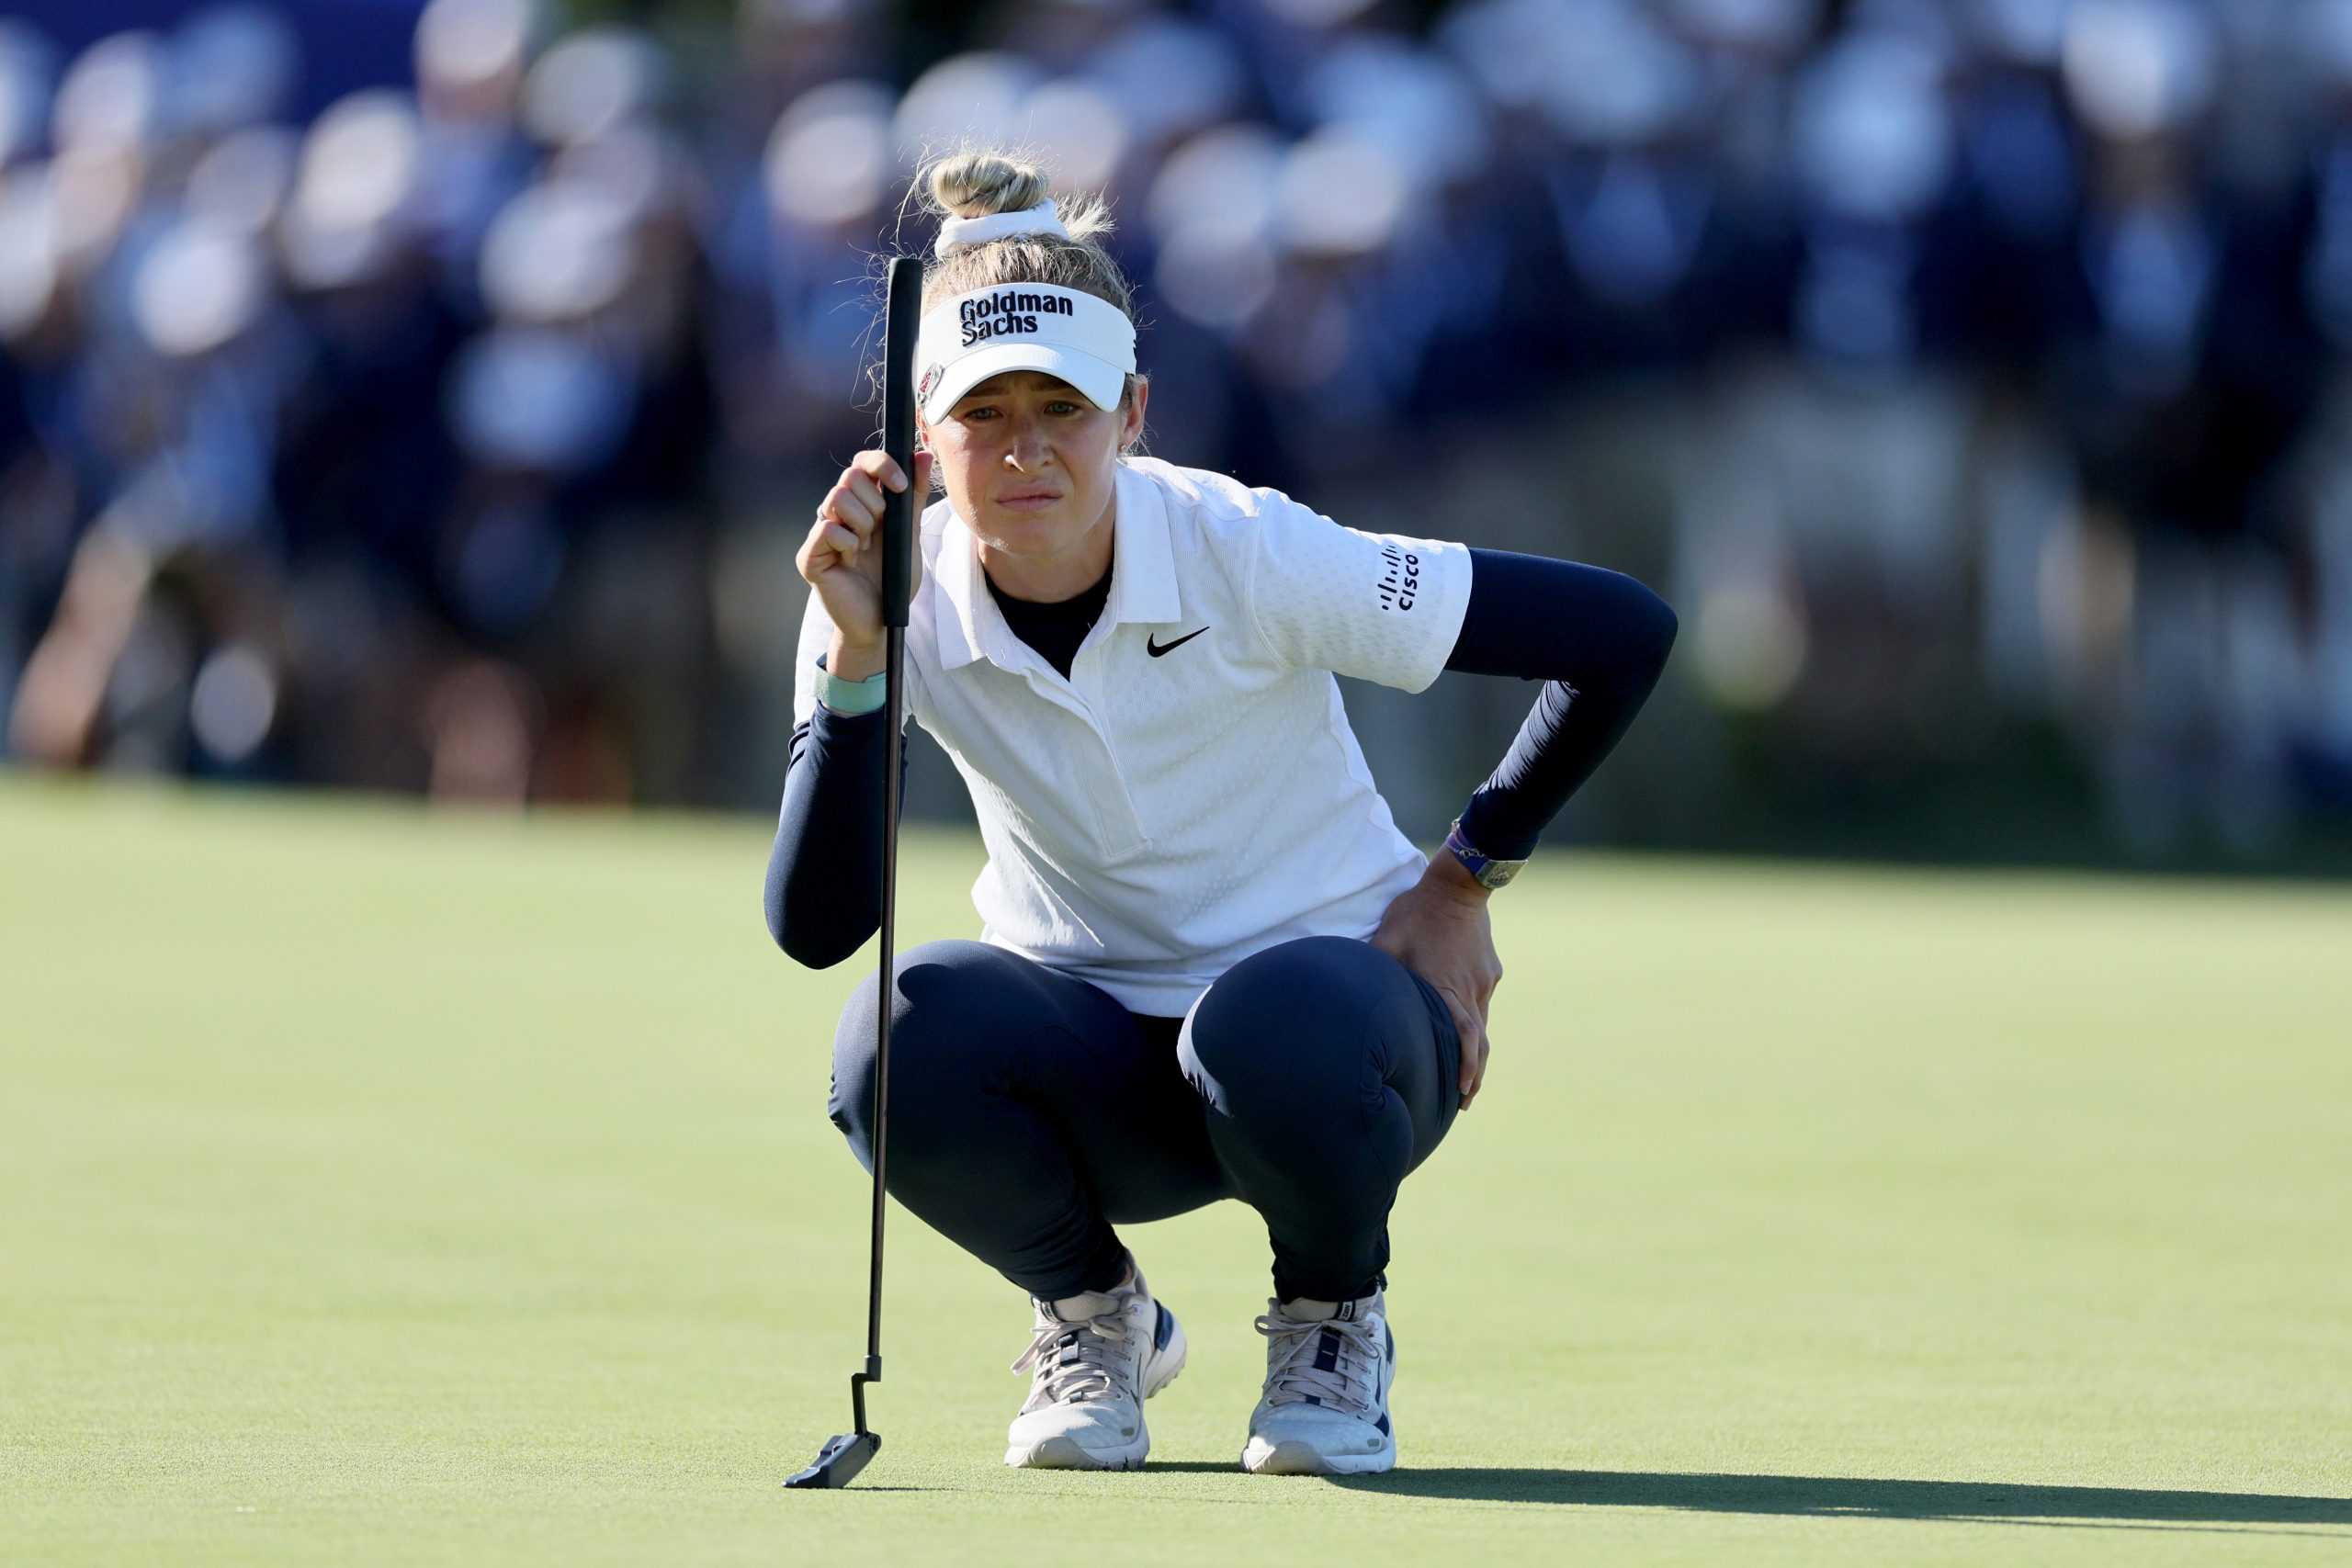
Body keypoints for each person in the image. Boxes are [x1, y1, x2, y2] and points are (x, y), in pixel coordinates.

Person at [764, 150, 1677, 1476]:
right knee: (890, 1046)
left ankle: (1330, 1316)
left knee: (1269, 1024)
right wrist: (858, 661)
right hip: (1095, 1064)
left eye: (1062, 410)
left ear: (1132, 413)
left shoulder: (1248, 548)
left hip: (1335, 1042)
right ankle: (1095, 1316)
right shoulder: (880, 589)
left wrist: (1463, 877)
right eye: (985, 416)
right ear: (924, 445)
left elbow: (1620, 635)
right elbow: (819, 927)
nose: (1024, 449)